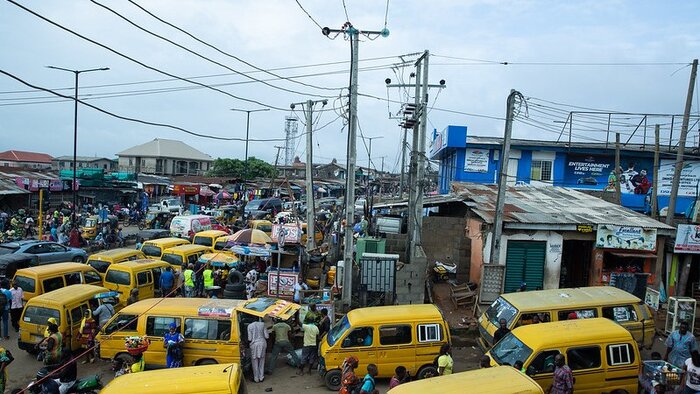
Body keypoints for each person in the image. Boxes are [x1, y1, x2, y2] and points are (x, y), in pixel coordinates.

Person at [247, 317, 268, 383]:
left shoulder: (249, 326)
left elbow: (249, 339)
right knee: (262, 361)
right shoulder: (263, 324)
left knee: (254, 361)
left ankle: (256, 378)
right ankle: (261, 377)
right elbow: (267, 336)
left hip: (254, 345)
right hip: (262, 343)